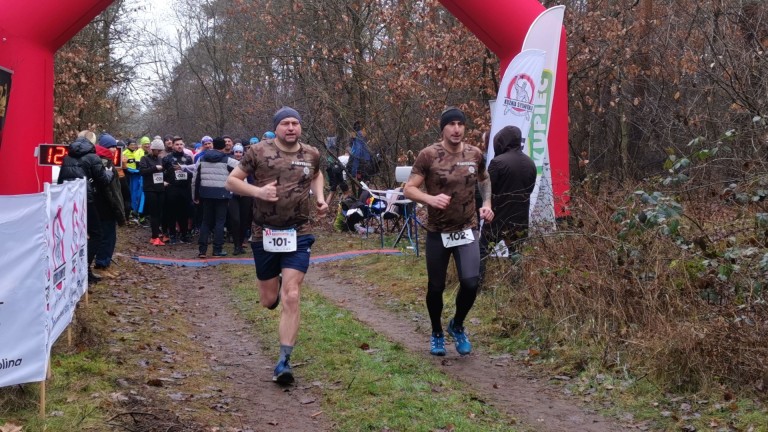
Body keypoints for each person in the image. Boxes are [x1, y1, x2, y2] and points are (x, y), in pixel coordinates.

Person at [225, 106, 328, 384]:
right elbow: (232, 181)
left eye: (296, 122)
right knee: (269, 299)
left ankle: (284, 361)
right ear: (277, 127)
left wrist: (319, 198)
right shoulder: (258, 152)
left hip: (299, 231)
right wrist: (258, 191)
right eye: (285, 123)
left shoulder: (311, 153)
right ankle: (278, 288)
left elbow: (317, 174)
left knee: (292, 295)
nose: (291, 127)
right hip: (264, 232)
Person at [403, 107, 493, 357]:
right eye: (451, 124)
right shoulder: (429, 155)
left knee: (471, 282)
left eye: (460, 124)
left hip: (467, 228)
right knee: (436, 287)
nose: (456, 129)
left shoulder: (475, 154)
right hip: (438, 232)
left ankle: (457, 325)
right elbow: (408, 189)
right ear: (442, 128)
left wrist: (486, 204)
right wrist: (429, 199)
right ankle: (436, 333)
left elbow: (484, 179)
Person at [57, 133, 114, 284]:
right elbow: (103, 181)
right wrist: (109, 172)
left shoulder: (67, 156)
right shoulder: (93, 157)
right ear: (93, 143)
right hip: (85, 199)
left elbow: (61, 178)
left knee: (74, 234)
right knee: (96, 234)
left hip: (67, 199)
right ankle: (84, 269)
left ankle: (76, 269)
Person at [480, 126, 537, 276]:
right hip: (520, 218)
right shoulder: (531, 163)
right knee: (516, 253)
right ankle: (517, 285)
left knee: (482, 251)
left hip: (496, 217)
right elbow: (529, 189)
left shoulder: (497, 162)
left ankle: (477, 284)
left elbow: (488, 189)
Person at [193, 136, 239, 258]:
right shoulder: (228, 160)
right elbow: (242, 169)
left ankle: (202, 250)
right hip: (222, 194)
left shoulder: (202, 158)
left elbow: (195, 178)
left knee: (206, 221)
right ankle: (217, 250)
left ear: (213, 145)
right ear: (224, 146)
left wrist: (195, 195)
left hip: (206, 194)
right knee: (220, 222)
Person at [92, 133, 126, 278]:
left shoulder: (108, 162)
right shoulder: (102, 163)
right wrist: (116, 207)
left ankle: (105, 263)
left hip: (106, 205)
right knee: (106, 236)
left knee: (109, 236)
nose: (114, 149)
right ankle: (101, 264)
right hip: (104, 205)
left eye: (114, 146)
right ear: (104, 147)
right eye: (111, 147)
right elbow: (109, 189)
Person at [163, 136, 195, 244]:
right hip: (172, 188)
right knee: (171, 212)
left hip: (185, 188)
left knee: (184, 213)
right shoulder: (167, 158)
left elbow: (193, 172)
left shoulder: (188, 158)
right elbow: (162, 172)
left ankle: (184, 234)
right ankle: (172, 234)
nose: (179, 146)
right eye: (177, 144)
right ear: (172, 146)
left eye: (181, 144)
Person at [139, 139, 167, 245]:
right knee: (154, 213)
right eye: (158, 150)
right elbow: (142, 171)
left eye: (161, 151)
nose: (160, 152)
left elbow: (162, 172)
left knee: (160, 212)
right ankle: (154, 236)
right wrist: (154, 168)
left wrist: (164, 181)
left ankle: (158, 233)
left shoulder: (160, 159)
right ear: (153, 149)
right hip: (150, 189)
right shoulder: (144, 158)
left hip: (160, 188)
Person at [227, 143, 252, 255]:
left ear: (243, 153)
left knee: (244, 220)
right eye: (236, 152)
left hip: (245, 194)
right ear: (233, 152)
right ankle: (236, 245)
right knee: (235, 220)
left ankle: (240, 244)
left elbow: (251, 178)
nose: (238, 154)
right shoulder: (228, 163)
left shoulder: (248, 163)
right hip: (232, 195)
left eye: (240, 152)